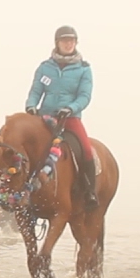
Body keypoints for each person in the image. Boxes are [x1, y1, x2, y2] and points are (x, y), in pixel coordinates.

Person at [24, 25, 98, 208]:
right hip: (44, 117)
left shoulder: (83, 69)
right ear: (57, 43)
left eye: (71, 41)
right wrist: (31, 105)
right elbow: (36, 91)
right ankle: (19, 189)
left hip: (69, 118)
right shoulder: (44, 68)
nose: (68, 44)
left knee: (87, 150)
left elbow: (84, 96)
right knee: (24, 145)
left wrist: (70, 108)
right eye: (65, 41)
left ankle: (89, 191)